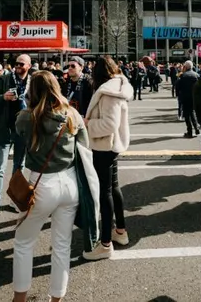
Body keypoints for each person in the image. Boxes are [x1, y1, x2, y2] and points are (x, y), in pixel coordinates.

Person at [13, 71, 89, 302]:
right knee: (62, 245)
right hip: (69, 183)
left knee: (24, 242)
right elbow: (85, 147)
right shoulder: (71, 114)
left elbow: (19, 135)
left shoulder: (26, 117)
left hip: (41, 182)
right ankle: (56, 298)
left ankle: (20, 298)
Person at [82, 56, 132, 260]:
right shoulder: (117, 86)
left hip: (104, 146)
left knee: (105, 193)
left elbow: (109, 124)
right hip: (110, 146)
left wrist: (87, 124)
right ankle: (119, 232)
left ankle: (105, 244)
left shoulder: (109, 92)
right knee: (113, 188)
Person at [0, 54, 32, 226]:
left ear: (29, 66)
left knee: (19, 168)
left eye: (21, 64)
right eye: (15, 63)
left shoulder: (33, 81)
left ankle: (15, 200)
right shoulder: (4, 79)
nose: (17, 66)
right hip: (4, 129)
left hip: (22, 130)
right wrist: (3, 97)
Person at [176, 60, 201, 138]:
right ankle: (196, 128)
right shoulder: (197, 75)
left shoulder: (183, 76)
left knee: (187, 115)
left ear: (185, 67)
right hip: (195, 97)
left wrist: (178, 95)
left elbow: (178, 87)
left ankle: (189, 131)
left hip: (185, 97)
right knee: (193, 113)